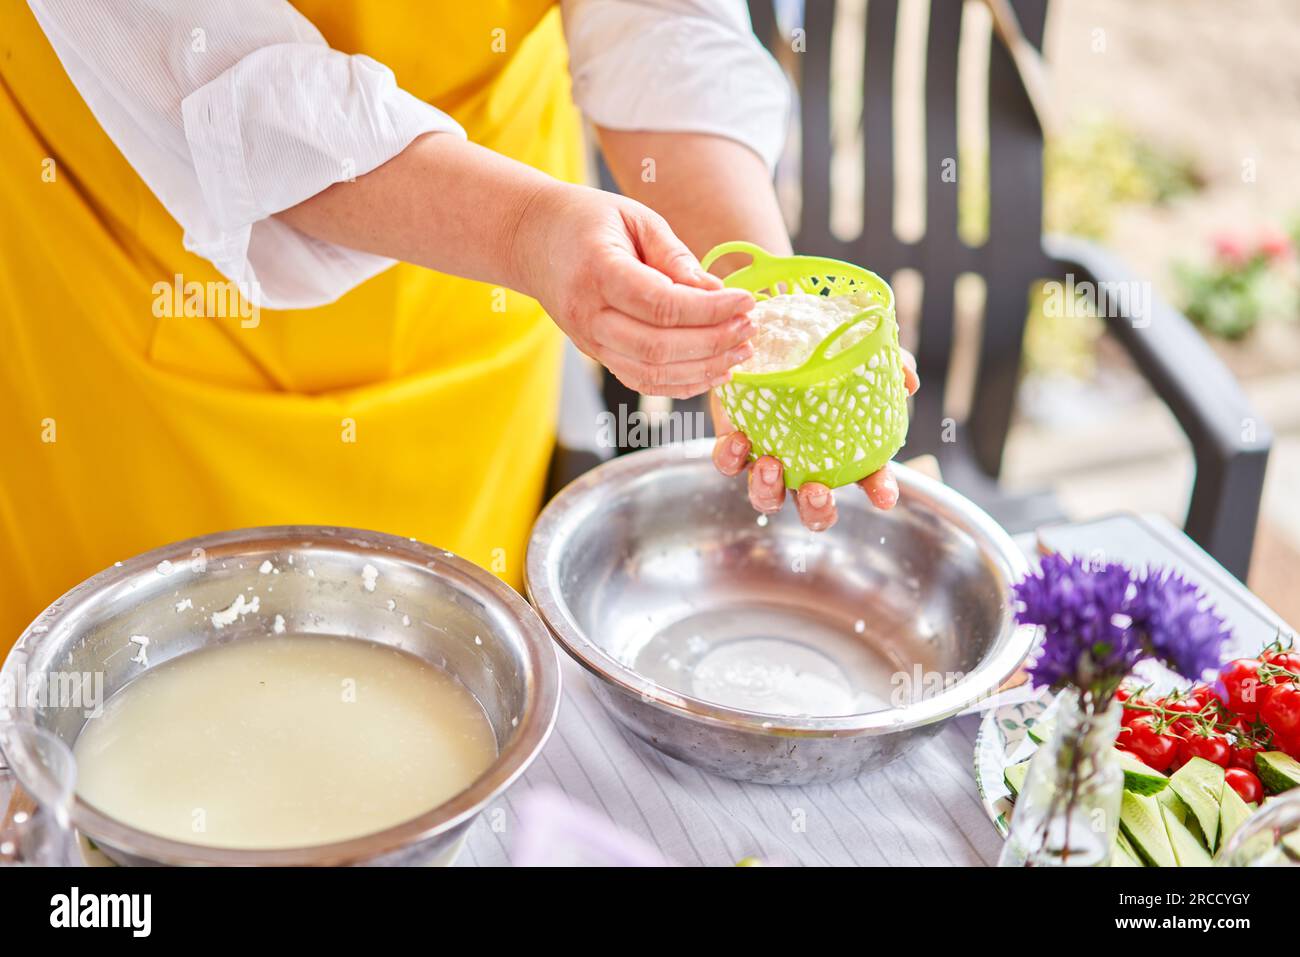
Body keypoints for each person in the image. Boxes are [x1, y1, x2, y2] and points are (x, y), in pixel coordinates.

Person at [1, 0, 917, 646]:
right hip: (142, 290)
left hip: (485, 272)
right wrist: (524, 230)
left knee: (450, 701)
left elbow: (660, 15)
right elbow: (224, 79)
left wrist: (761, 315)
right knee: (134, 726)